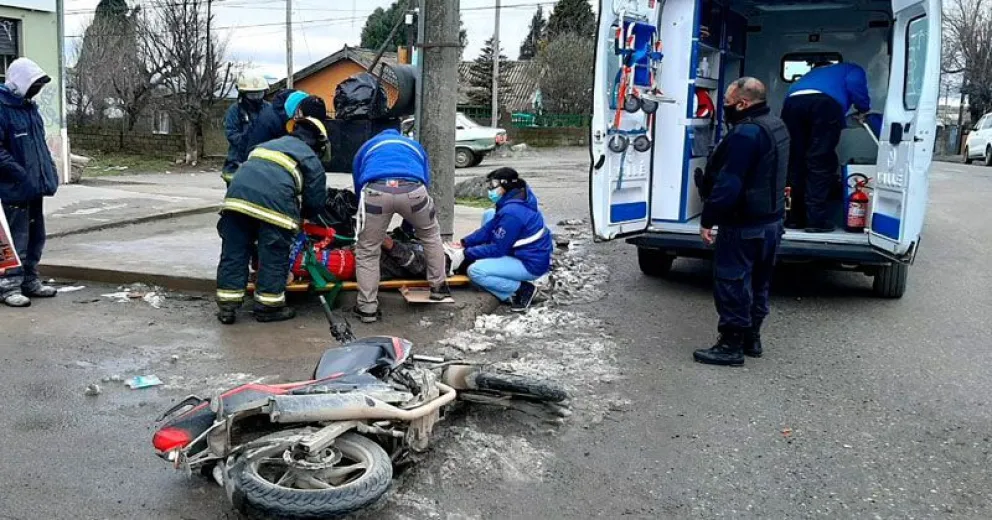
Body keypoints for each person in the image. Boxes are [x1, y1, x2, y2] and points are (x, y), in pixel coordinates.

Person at [694, 77, 789, 366]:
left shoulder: (745, 134)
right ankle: (752, 338)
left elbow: (729, 184)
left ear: (742, 103)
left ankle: (731, 346)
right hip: (771, 223)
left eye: (726, 102)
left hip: (744, 224)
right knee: (759, 282)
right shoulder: (777, 125)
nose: (724, 107)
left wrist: (708, 219)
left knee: (732, 282)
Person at [215, 117, 329, 324]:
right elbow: (315, 199)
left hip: (235, 200)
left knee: (234, 251)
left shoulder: (267, 145)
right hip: (274, 205)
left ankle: (227, 307)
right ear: (319, 143)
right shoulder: (310, 157)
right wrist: (306, 216)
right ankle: (268, 307)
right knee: (274, 254)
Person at [351, 128, 447, 323]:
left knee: (368, 249)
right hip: (414, 192)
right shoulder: (413, 146)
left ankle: (367, 308)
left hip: (376, 192)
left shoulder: (368, 147)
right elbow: (424, 179)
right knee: (430, 236)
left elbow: (358, 181)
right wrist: (410, 224)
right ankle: (438, 287)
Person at [781, 61, 871, 232]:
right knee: (819, 161)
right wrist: (863, 108)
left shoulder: (810, 75)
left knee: (795, 162)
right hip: (825, 105)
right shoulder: (852, 68)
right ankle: (816, 221)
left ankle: (793, 218)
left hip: (792, 104)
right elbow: (855, 83)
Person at [0, 58, 58, 308]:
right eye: (33, 83)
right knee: (15, 240)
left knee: (35, 237)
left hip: (34, 186)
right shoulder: (2, 108)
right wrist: (19, 172)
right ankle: (8, 286)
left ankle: (29, 281)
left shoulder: (29, 108)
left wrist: (49, 171)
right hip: (14, 188)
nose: (36, 89)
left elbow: (39, 145)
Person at [451, 168, 552, 312]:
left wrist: (465, 254)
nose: (490, 189)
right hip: (524, 253)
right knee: (490, 214)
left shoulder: (512, 213)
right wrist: (464, 242)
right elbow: (489, 228)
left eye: (493, 185)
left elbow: (498, 249)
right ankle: (493, 266)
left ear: (506, 185)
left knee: (475, 272)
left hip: (530, 263)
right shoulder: (517, 197)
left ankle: (521, 290)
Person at [221, 73, 270, 181]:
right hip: (239, 158)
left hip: (263, 157)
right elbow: (231, 134)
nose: (256, 98)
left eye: (259, 94)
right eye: (252, 95)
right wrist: (248, 140)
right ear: (243, 94)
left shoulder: (268, 109)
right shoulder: (235, 111)